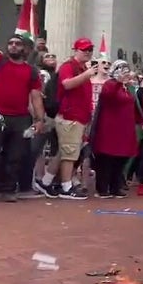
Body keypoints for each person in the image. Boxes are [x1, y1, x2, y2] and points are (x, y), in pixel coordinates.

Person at [0, 9, 45, 203]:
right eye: (11, 43)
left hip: (21, 117)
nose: (13, 46)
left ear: (26, 49)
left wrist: (39, 120)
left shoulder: (32, 72)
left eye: (18, 43)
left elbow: (36, 97)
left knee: (15, 156)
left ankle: (7, 189)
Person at [45, 38, 98, 200]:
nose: (87, 52)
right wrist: (86, 74)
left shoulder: (80, 67)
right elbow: (67, 84)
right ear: (75, 50)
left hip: (77, 116)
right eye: (84, 49)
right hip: (70, 116)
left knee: (64, 151)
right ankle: (66, 186)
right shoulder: (69, 66)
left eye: (90, 49)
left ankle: (46, 181)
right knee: (69, 154)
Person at [90, 61, 139, 198]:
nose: (125, 73)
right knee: (106, 160)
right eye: (122, 70)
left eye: (126, 70)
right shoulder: (110, 84)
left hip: (125, 129)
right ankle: (102, 188)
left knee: (120, 160)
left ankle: (115, 187)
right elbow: (108, 96)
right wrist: (118, 81)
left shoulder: (127, 88)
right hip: (109, 129)